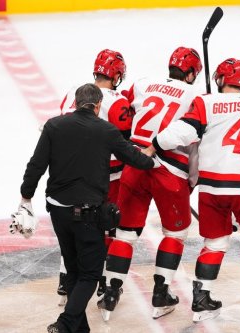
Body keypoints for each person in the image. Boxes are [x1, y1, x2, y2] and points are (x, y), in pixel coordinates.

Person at [18, 83, 155, 333]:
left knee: (73, 270)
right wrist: (153, 151)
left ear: (76, 102)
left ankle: (80, 328)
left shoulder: (53, 126)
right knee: (90, 274)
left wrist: (25, 197)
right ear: (99, 105)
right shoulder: (107, 131)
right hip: (87, 214)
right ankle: (66, 324)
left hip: (58, 211)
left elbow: (36, 165)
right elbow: (137, 160)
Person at [147, 58, 240, 322]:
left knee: (214, 242)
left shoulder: (205, 103)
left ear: (221, 79)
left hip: (213, 187)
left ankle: (202, 297)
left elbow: (180, 133)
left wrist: (155, 143)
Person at [99, 46, 203, 321]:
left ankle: (110, 294)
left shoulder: (144, 84)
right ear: (192, 74)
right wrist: (192, 182)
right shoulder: (198, 98)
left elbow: (124, 107)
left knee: (125, 233)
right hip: (171, 171)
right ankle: (161, 293)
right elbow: (196, 149)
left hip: (135, 162)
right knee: (175, 233)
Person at [57, 49, 133, 306]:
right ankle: (101, 280)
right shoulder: (117, 100)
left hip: (67, 170)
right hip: (104, 174)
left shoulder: (73, 91)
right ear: (117, 75)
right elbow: (123, 140)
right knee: (105, 223)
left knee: (72, 221)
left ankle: (66, 278)